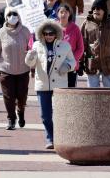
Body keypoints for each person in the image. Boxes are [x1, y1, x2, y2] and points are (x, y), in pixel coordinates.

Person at [25, 20, 75, 149]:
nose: (48, 36)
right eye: (46, 33)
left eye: (51, 33)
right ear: (42, 34)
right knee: (45, 115)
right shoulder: (36, 45)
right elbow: (30, 64)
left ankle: (60, 137)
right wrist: (30, 57)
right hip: (42, 84)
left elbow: (73, 62)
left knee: (59, 113)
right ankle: (50, 138)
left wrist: (67, 66)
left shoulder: (65, 46)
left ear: (56, 33)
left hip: (59, 84)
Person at [0, 7, 31, 130]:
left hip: (23, 71)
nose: (12, 17)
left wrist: (33, 66)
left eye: (15, 14)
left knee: (21, 96)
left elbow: (32, 50)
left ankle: (21, 112)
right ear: (6, 17)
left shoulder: (25, 31)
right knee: (9, 97)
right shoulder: (1, 33)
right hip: (6, 71)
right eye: (10, 14)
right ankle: (11, 118)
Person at [56, 4, 84, 88]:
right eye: (61, 12)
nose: (63, 14)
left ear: (70, 14)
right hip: (56, 67)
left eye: (66, 12)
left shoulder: (75, 28)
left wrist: (70, 61)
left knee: (70, 92)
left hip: (70, 67)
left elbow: (80, 48)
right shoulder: (54, 27)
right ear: (57, 14)